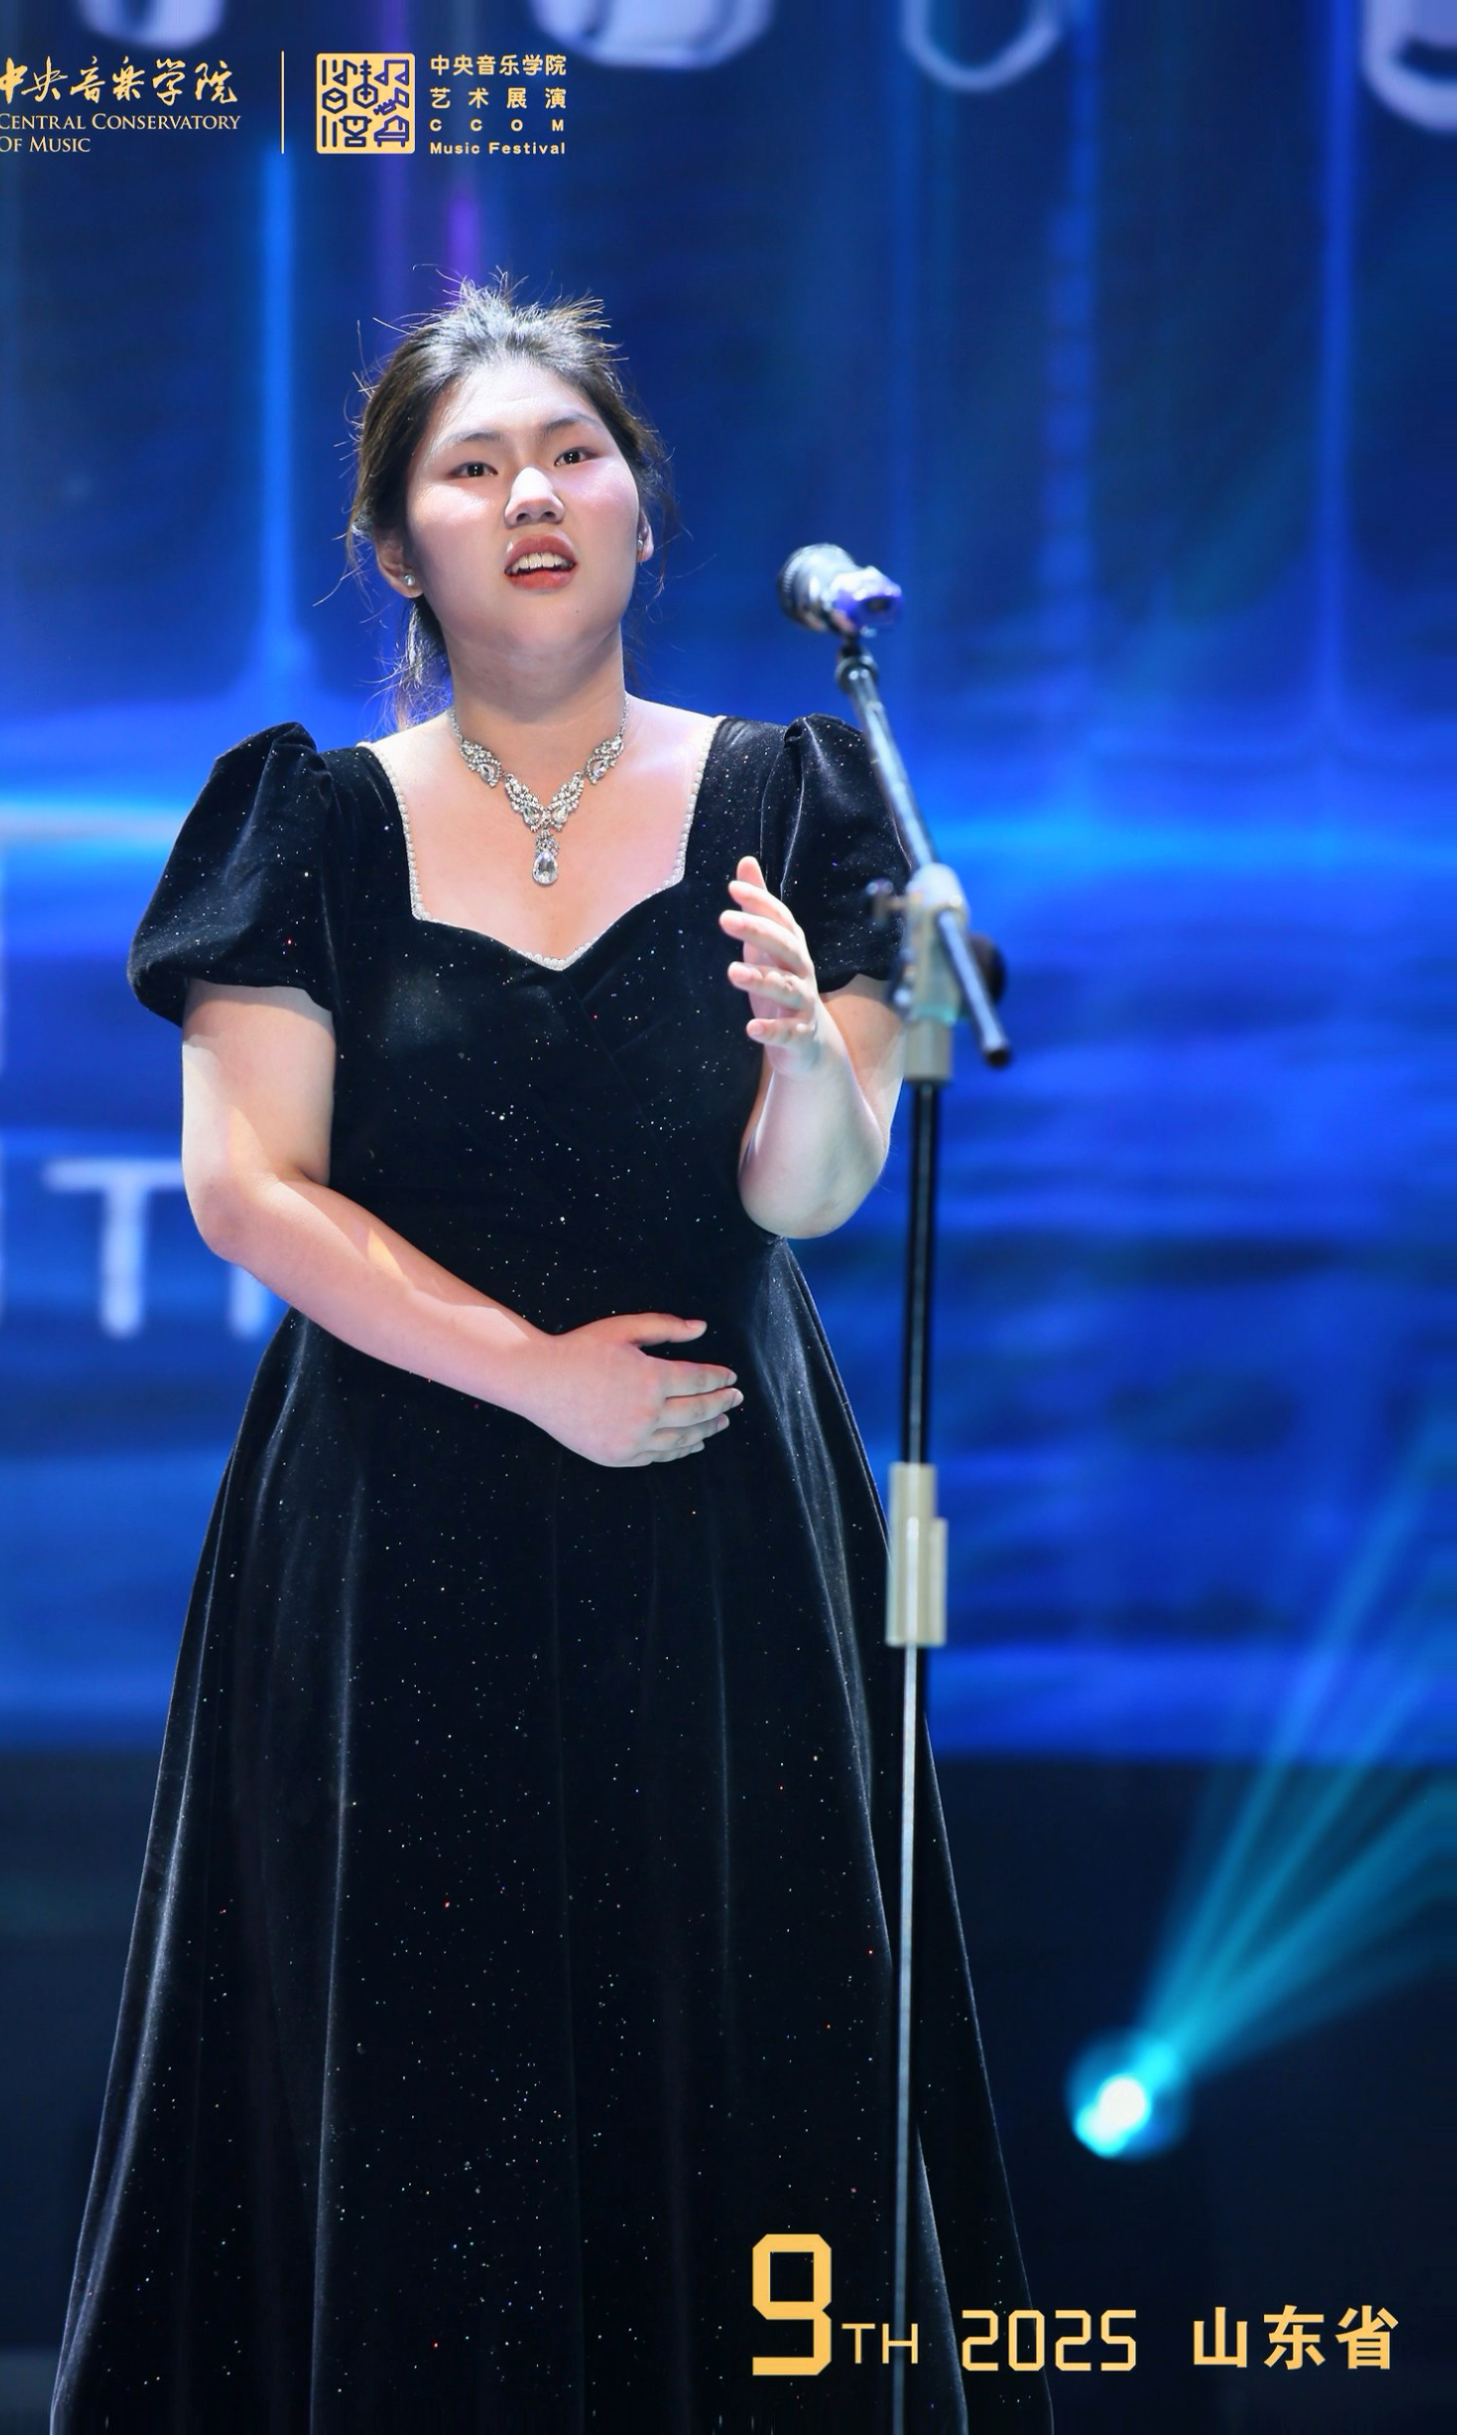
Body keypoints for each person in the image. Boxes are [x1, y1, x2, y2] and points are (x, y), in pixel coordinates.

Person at [51, 277, 1048, 2431]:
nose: (530, 496)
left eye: (571, 455)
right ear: (394, 541)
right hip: (395, 1518)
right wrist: (526, 1371)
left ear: (640, 513)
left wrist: (811, 1059)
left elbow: (806, 1197)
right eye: (473, 466)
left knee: (734, 2032)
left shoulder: (801, 795)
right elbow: (247, 1188)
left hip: (714, 1508)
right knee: (413, 2058)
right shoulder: (305, 819)